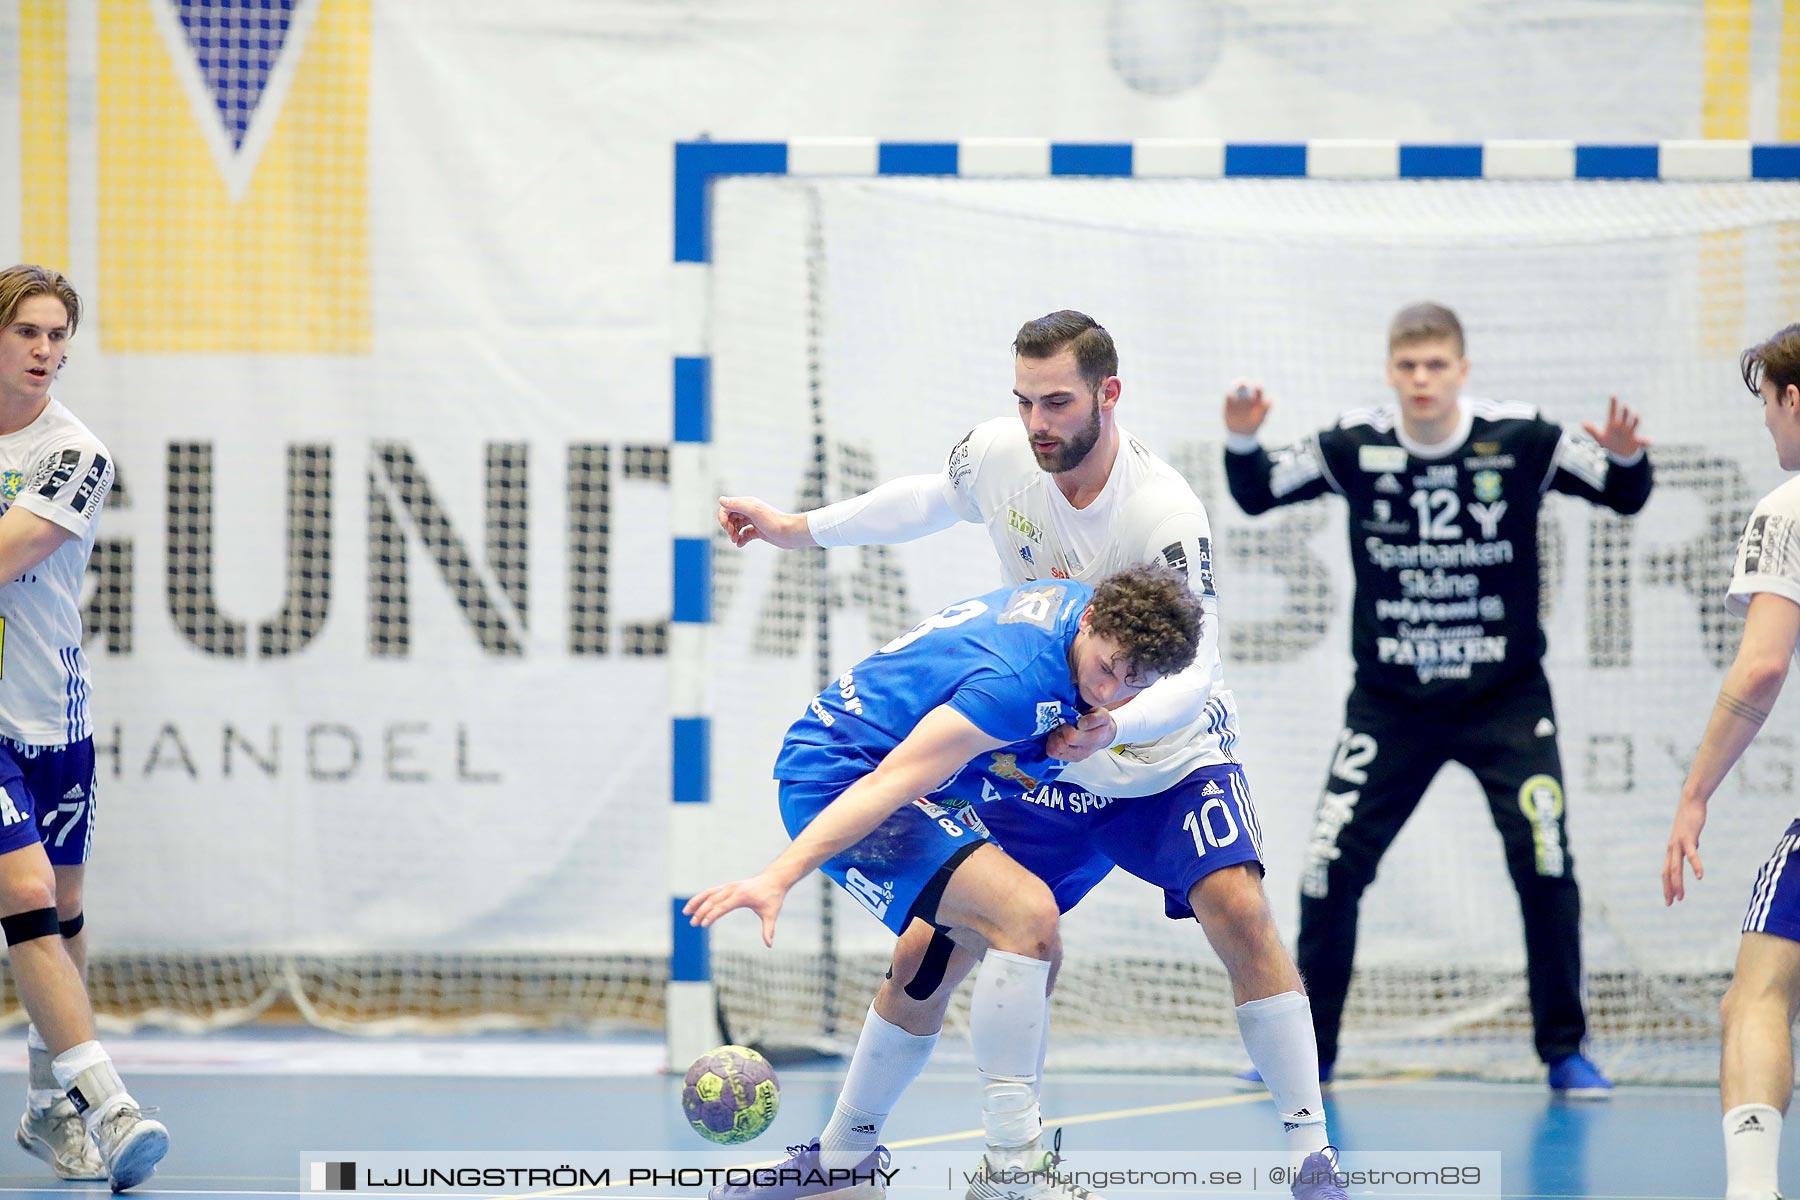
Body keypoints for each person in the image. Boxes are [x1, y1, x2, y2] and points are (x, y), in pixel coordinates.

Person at [717, 311, 1347, 1200]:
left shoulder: (1163, 511)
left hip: (1159, 748)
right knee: (935, 948)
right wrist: (799, 529)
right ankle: (843, 1156)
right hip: (1050, 745)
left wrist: (1117, 724)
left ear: (1108, 394)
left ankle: (1310, 1158)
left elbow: (1199, 663)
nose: (1038, 421)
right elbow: (927, 500)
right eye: (1024, 401)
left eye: (1057, 401)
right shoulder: (1004, 455)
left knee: (1238, 908)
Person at [1223, 300, 1653, 1097]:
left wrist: (1626, 460)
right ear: (1391, 373)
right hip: (1391, 707)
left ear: (1461, 370)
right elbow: (1257, 494)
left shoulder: (1523, 438)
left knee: (1546, 861)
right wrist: (1242, 437)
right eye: (1408, 367)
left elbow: (1623, 496)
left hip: (1506, 702)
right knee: (1326, 872)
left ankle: (1564, 1050)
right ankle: (1308, 1052)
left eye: (1436, 367)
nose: (1422, 380)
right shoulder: (1355, 443)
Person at [687, 565, 1203, 1200]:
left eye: (1135, 685)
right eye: (1109, 669)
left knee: (933, 958)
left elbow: (1062, 704)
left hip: (902, 777)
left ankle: (841, 1163)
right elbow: (887, 783)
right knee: (1028, 919)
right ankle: (1012, 1172)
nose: (1112, 690)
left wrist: (1090, 723)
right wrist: (779, 875)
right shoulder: (1014, 686)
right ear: (1094, 621)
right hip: (839, 780)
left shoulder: (1073, 616)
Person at [0, 265, 169, 1189]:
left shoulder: (75, 454)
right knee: (22, 894)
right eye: (28, 331)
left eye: (59, 336)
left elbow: (10, 552)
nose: (46, 352)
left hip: (51, 710)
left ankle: (42, 1107)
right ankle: (110, 1105)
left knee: (60, 918)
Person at [1663, 321, 1800, 1200]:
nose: (1766, 427)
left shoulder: (1789, 509)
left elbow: (1760, 666)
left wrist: (1694, 795)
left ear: (1796, 400)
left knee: (1756, 993)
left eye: (1767, 406)